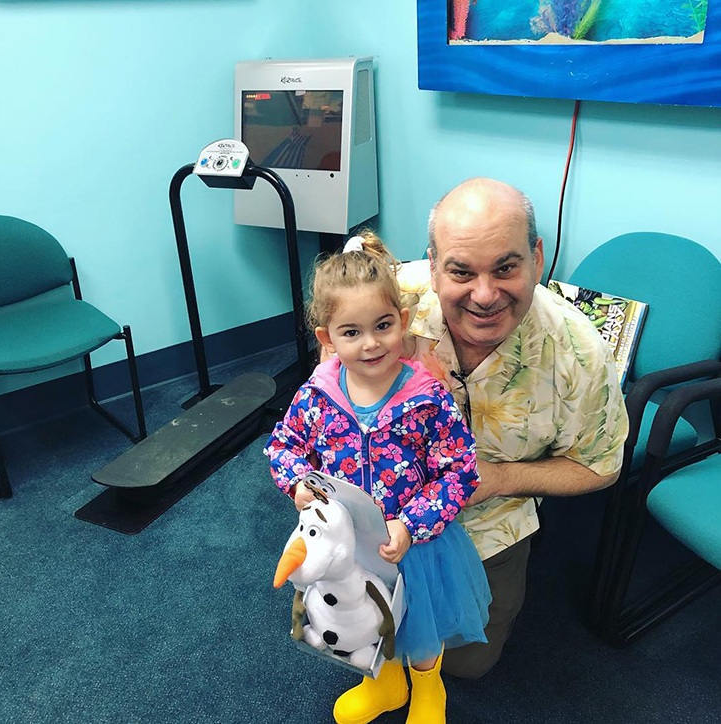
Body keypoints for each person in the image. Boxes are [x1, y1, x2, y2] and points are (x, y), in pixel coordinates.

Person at [396, 177, 629, 679]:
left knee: (465, 664)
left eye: (506, 267)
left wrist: (498, 479)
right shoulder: (391, 301)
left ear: (537, 258)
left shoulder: (581, 353)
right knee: (361, 630)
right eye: (461, 271)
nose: (485, 295)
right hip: (384, 506)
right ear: (433, 265)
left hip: (490, 524)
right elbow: (329, 357)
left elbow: (600, 468)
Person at [264, 232, 492, 724]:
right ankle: (386, 684)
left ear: (403, 323)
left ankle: (429, 691)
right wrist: (300, 484)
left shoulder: (427, 396)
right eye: (351, 332)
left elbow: (460, 472)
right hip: (350, 541)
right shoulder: (317, 393)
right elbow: (283, 446)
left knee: (420, 628)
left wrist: (411, 524)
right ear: (327, 339)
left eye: (383, 326)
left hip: (414, 542)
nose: (370, 344)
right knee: (365, 622)